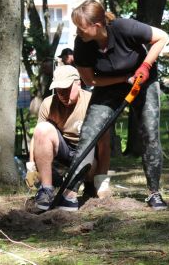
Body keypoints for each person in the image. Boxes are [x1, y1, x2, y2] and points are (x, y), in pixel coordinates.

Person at [65, 0, 169, 210]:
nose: (78, 31)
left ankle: (154, 193)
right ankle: (69, 192)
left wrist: (146, 66)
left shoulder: (124, 27)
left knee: (149, 133)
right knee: (90, 132)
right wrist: (123, 80)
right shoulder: (82, 44)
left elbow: (162, 37)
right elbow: (90, 81)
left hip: (143, 81)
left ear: (97, 26)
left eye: (81, 27)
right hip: (109, 84)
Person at [26, 65, 111, 211]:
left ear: (78, 83)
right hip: (64, 152)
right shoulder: (49, 103)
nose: (62, 95)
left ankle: (82, 188)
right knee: (42, 129)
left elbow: (104, 144)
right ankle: (46, 190)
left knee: (89, 142)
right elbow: (38, 136)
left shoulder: (93, 103)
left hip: (89, 157)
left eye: (66, 90)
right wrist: (31, 165)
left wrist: (101, 179)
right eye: (59, 91)